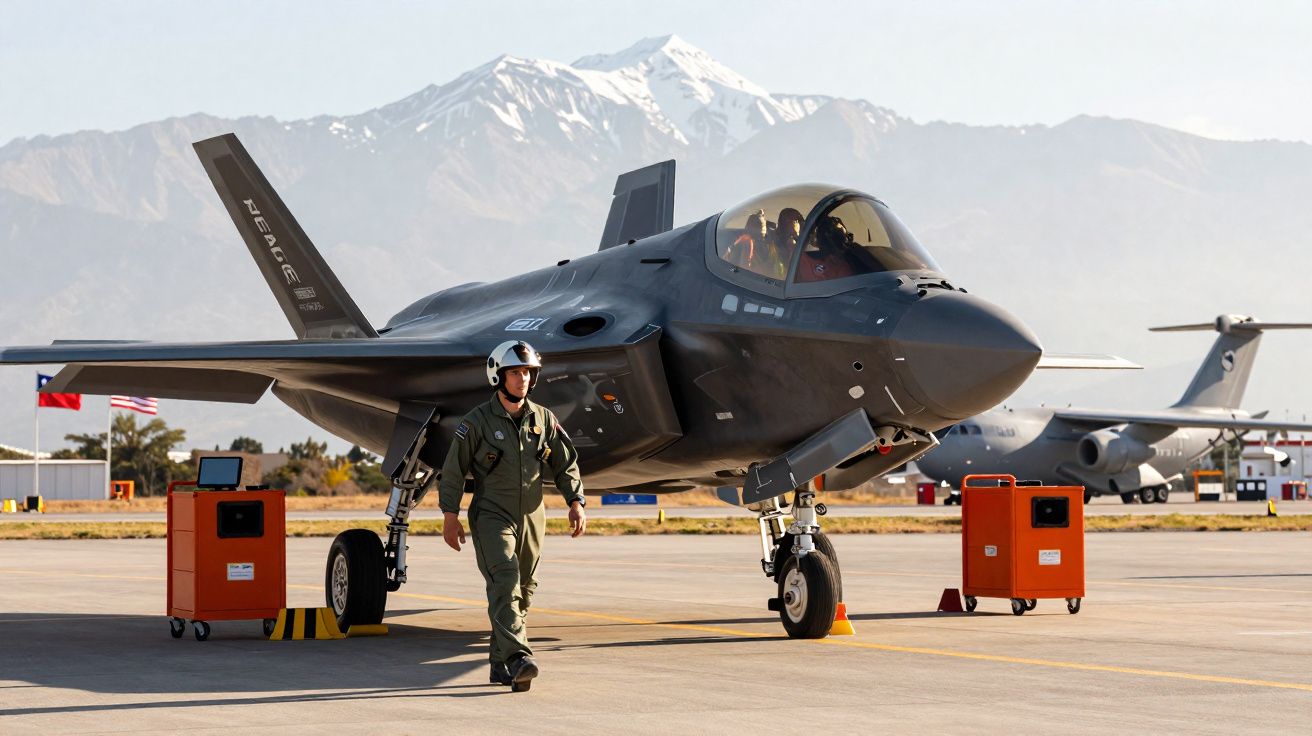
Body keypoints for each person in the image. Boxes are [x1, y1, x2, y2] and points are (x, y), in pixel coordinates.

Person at [437, 340, 586, 692]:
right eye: (515, 372)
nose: (522, 379)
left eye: (527, 373)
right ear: (498, 376)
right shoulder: (476, 422)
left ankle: (500, 665)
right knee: (505, 579)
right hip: (492, 514)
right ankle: (519, 656)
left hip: (533, 517)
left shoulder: (543, 419)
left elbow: (565, 463)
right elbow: (454, 471)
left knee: (524, 591)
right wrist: (449, 515)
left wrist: (575, 501)